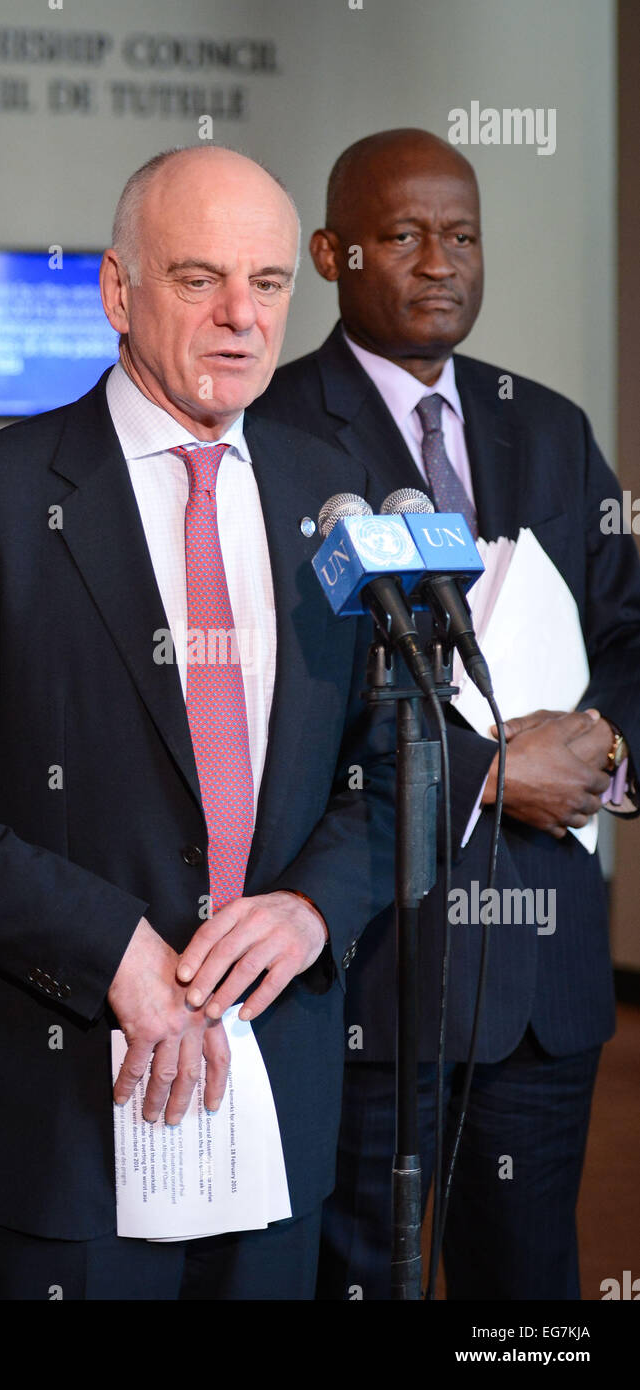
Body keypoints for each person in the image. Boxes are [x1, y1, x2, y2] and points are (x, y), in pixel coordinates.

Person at [0, 145, 395, 1301]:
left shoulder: (329, 491)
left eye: (268, 283)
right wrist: (113, 952)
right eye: (198, 279)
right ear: (116, 291)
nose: (242, 318)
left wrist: (310, 908)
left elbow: (395, 765)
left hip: (273, 1089)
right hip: (63, 1118)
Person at [252, 127, 640, 1300]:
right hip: (371, 972)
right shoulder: (267, 433)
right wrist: (480, 767)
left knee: (525, 1291)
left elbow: (626, 634)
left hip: (542, 972)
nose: (439, 262)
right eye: (404, 234)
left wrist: (603, 747)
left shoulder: (553, 428)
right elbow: (281, 697)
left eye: (461, 235)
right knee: (355, 1279)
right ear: (332, 252)